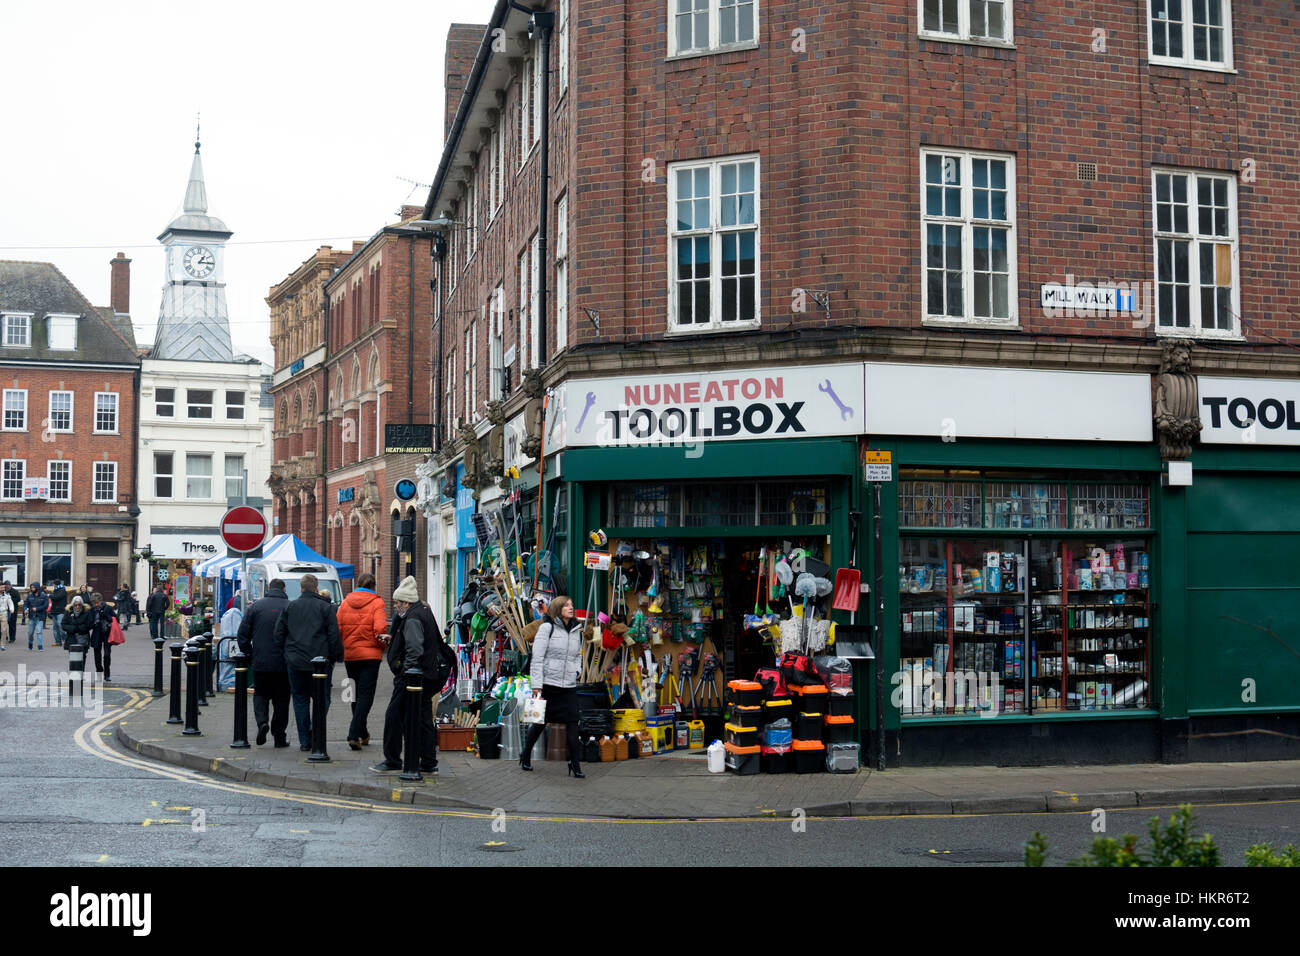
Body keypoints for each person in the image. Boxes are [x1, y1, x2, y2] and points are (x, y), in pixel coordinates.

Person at [370, 576, 444, 775]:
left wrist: (406, 674)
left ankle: (392, 759)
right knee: (422, 718)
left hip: (412, 678)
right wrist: (393, 640)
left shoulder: (412, 617)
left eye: (397, 602)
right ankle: (428, 762)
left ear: (406, 602)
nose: (394, 606)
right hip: (426, 675)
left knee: (393, 716)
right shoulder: (423, 611)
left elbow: (414, 648)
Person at [272, 573, 343, 751]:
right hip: (320, 663)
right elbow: (334, 635)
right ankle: (314, 730)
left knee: (300, 698)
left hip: (295, 662)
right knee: (322, 698)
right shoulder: (325, 608)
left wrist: (286, 653)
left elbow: (278, 634)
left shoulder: (291, 607)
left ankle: (305, 740)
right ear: (316, 587)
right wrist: (335, 657)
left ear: (301, 588)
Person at [519, 595, 585, 777]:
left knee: (573, 724)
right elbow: (537, 658)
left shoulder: (575, 630)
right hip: (549, 684)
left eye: (572, 604)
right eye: (566, 605)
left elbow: (577, 656)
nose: (571, 608)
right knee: (540, 723)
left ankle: (575, 764)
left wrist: (576, 672)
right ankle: (525, 755)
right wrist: (537, 686)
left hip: (569, 685)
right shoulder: (546, 628)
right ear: (558, 608)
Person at [237, 578, 292, 747]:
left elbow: (242, 634)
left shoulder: (255, 607)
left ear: (268, 588)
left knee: (260, 695)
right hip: (284, 662)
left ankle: (262, 722)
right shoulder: (290, 606)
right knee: (282, 700)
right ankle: (279, 737)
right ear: (284, 589)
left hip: (260, 661)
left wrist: (249, 654)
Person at [337, 572, 387, 750]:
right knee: (366, 695)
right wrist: (381, 647)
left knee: (353, 694)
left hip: (351, 656)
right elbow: (380, 628)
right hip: (370, 657)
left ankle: (362, 733)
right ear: (373, 586)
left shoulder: (345, 603)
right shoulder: (377, 602)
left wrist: (345, 646)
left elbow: (339, 628)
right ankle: (353, 733)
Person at [88, 592, 116, 681]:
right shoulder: (92, 610)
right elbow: (89, 622)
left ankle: (107, 674)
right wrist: (93, 623)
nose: (95, 605)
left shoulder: (108, 608)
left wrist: (106, 616)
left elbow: (116, 619)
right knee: (97, 656)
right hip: (96, 633)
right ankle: (99, 673)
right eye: (94, 603)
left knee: (107, 655)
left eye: (97, 602)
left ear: (101, 601)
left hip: (107, 633)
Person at [24, 583, 50, 651]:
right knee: (30, 633)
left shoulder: (44, 596)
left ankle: (40, 647)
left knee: (39, 632)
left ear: (37, 588)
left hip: (40, 617)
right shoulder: (29, 596)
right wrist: (25, 609)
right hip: (31, 617)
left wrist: (37, 608)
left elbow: (46, 606)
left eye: (33, 587)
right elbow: (26, 603)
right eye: (31, 587)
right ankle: (30, 645)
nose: (32, 589)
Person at [49, 581, 68, 647]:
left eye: (53, 584)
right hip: (54, 611)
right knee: (55, 627)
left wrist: (50, 595)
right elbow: (53, 602)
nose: (53, 585)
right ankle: (58, 642)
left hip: (61, 611)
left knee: (61, 626)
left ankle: (66, 640)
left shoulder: (62, 590)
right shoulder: (55, 590)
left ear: (55, 584)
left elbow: (57, 597)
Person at [0, 584, 12, 652]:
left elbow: (10, 603)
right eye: (1, 587)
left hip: (4, 613)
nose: (2, 588)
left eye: (3, 587)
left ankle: (2, 644)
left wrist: (11, 608)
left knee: (4, 630)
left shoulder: (7, 595)